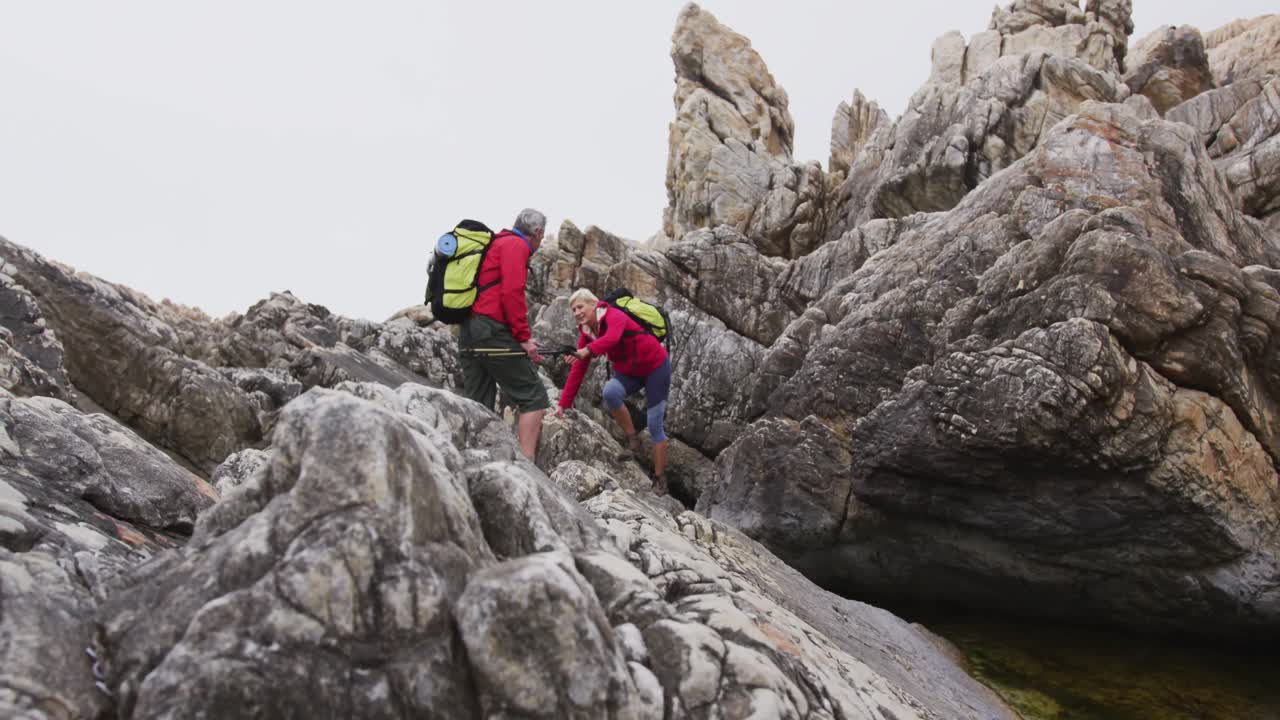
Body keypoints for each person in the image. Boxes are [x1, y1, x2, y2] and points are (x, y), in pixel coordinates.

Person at [552, 288, 672, 494]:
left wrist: (586, 351)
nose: (577, 312)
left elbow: (612, 338)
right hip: (630, 372)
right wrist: (563, 404)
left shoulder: (614, 315)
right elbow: (578, 369)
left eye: (580, 307)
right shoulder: (586, 333)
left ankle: (660, 477)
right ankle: (632, 439)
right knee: (610, 392)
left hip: (655, 367)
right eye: (573, 310)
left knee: (654, 425)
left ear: (593, 304)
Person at [459, 208, 549, 458]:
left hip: (468, 331)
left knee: (478, 402)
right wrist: (523, 338)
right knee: (534, 396)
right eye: (542, 237)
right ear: (538, 232)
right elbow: (511, 293)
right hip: (490, 330)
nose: (541, 242)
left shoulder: (496, 243)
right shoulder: (515, 246)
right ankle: (527, 469)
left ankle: (471, 462)